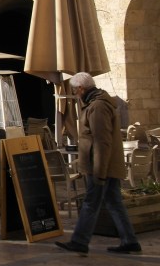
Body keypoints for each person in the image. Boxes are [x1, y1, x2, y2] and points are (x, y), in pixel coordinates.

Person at [56, 72, 142, 255]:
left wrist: (99, 172)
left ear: (81, 88)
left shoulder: (98, 107)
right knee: (113, 202)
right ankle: (130, 241)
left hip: (101, 166)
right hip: (105, 165)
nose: (75, 94)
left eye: (75, 90)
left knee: (90, 202)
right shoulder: (97, 103)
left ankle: (79, 241)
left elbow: (102, 142)